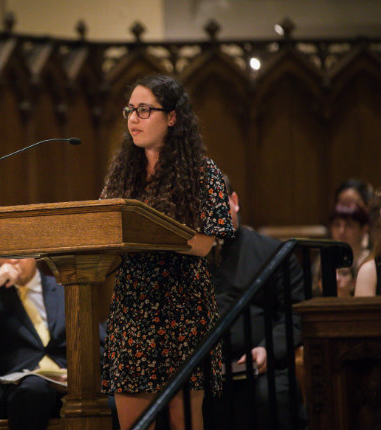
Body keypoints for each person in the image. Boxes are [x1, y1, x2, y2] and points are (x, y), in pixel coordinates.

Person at [99, 74, 234, 429]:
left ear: (172, 118)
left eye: (144, 110)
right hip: (133, 307)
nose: (132, 119)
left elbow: (205, 242)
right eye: (130, 110)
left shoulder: (203, 172)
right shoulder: (123, 174)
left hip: (182, 306)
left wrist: (149, 233)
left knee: (183, 420)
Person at [204, 175, 308, 430]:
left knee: (269, 396)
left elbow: (295, 315)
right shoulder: (189, 260)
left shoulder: (273, 253)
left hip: (264, 368)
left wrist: (267, 350)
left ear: (234, 201)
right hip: (206, 374)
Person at [0, 258, 66, 430]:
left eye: (21, 253)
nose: (13, 260)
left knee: (107, 399)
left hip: (66, 380)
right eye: (6, 254)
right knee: (35, 390)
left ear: (36, 254)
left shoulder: (64, 287)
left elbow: (96, 339)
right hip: (16, 386)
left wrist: (80, 374)